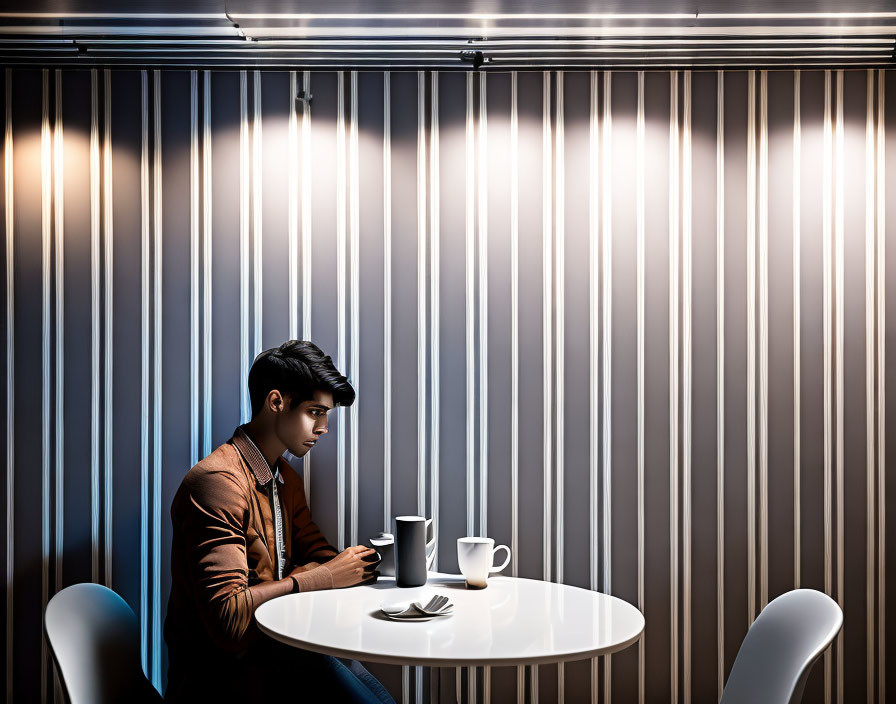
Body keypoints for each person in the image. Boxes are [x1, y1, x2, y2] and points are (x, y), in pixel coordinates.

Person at [164, 340, 394, 703]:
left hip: (279, 654)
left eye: (327, 415)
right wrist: (324, 576)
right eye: (315, 412)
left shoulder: (283, 477)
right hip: (227, 681)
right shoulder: (216, 483)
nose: (324, 427)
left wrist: (321, 571)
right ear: (276, 403)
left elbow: (321, 552)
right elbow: (230, 620)